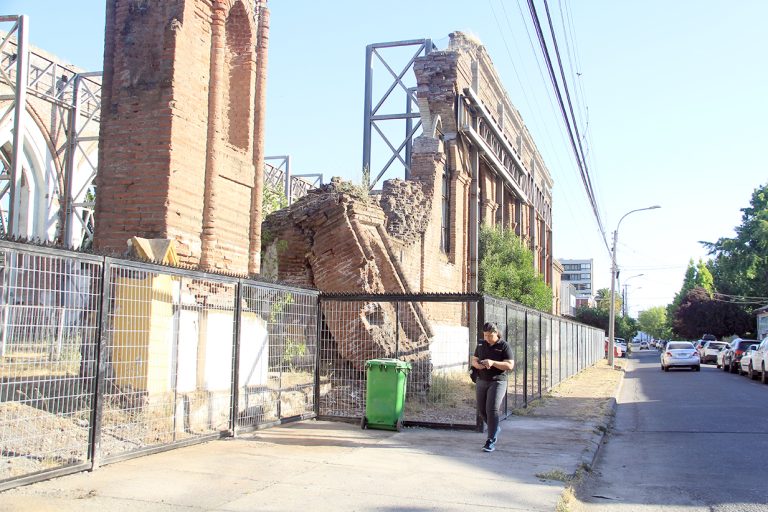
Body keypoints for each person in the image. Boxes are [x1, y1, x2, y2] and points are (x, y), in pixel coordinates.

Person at [471, 322, 515, 452]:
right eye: (485, 335)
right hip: (481, 380)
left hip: (497, 381)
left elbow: (510, 365)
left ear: (496, 333)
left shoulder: (503, 346)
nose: (487, 338)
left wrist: (493, 363)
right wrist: (477, 365)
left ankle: (490, 440)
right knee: (482, 410)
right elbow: (474, 359)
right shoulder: (481, 344)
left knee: (492, 409)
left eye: (490, 335)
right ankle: (495, 428)